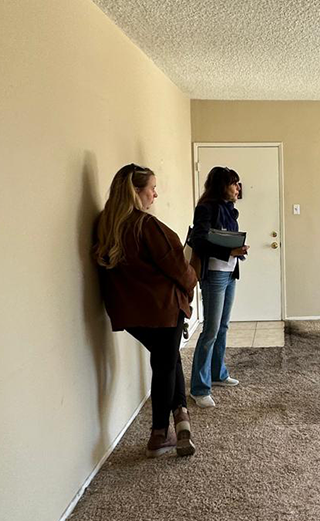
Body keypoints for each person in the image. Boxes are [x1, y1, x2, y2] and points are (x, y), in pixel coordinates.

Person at [93, 163, 198, 457]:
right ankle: (159, 433)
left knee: (167, 357)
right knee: (164, 365)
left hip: (130, 314)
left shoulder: (105, 224)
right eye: (152, 187)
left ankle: (182, 421)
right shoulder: (146, 225)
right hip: (163, 309)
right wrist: (192, 282)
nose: (155, 193)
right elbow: (178, 267)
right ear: (136, 192)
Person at [187, 166, 249, 407]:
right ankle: (199, 388)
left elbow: (225, 239)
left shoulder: (231, 211)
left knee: (223, 326)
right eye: (234, 183)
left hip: (229, 271)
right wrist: (229, 250)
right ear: (222, 186)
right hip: (213, 275)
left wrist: (238, 250)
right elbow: (199, 241)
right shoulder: (205, 208)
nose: (238, 188)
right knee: (210, 330)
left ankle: (218, 374)